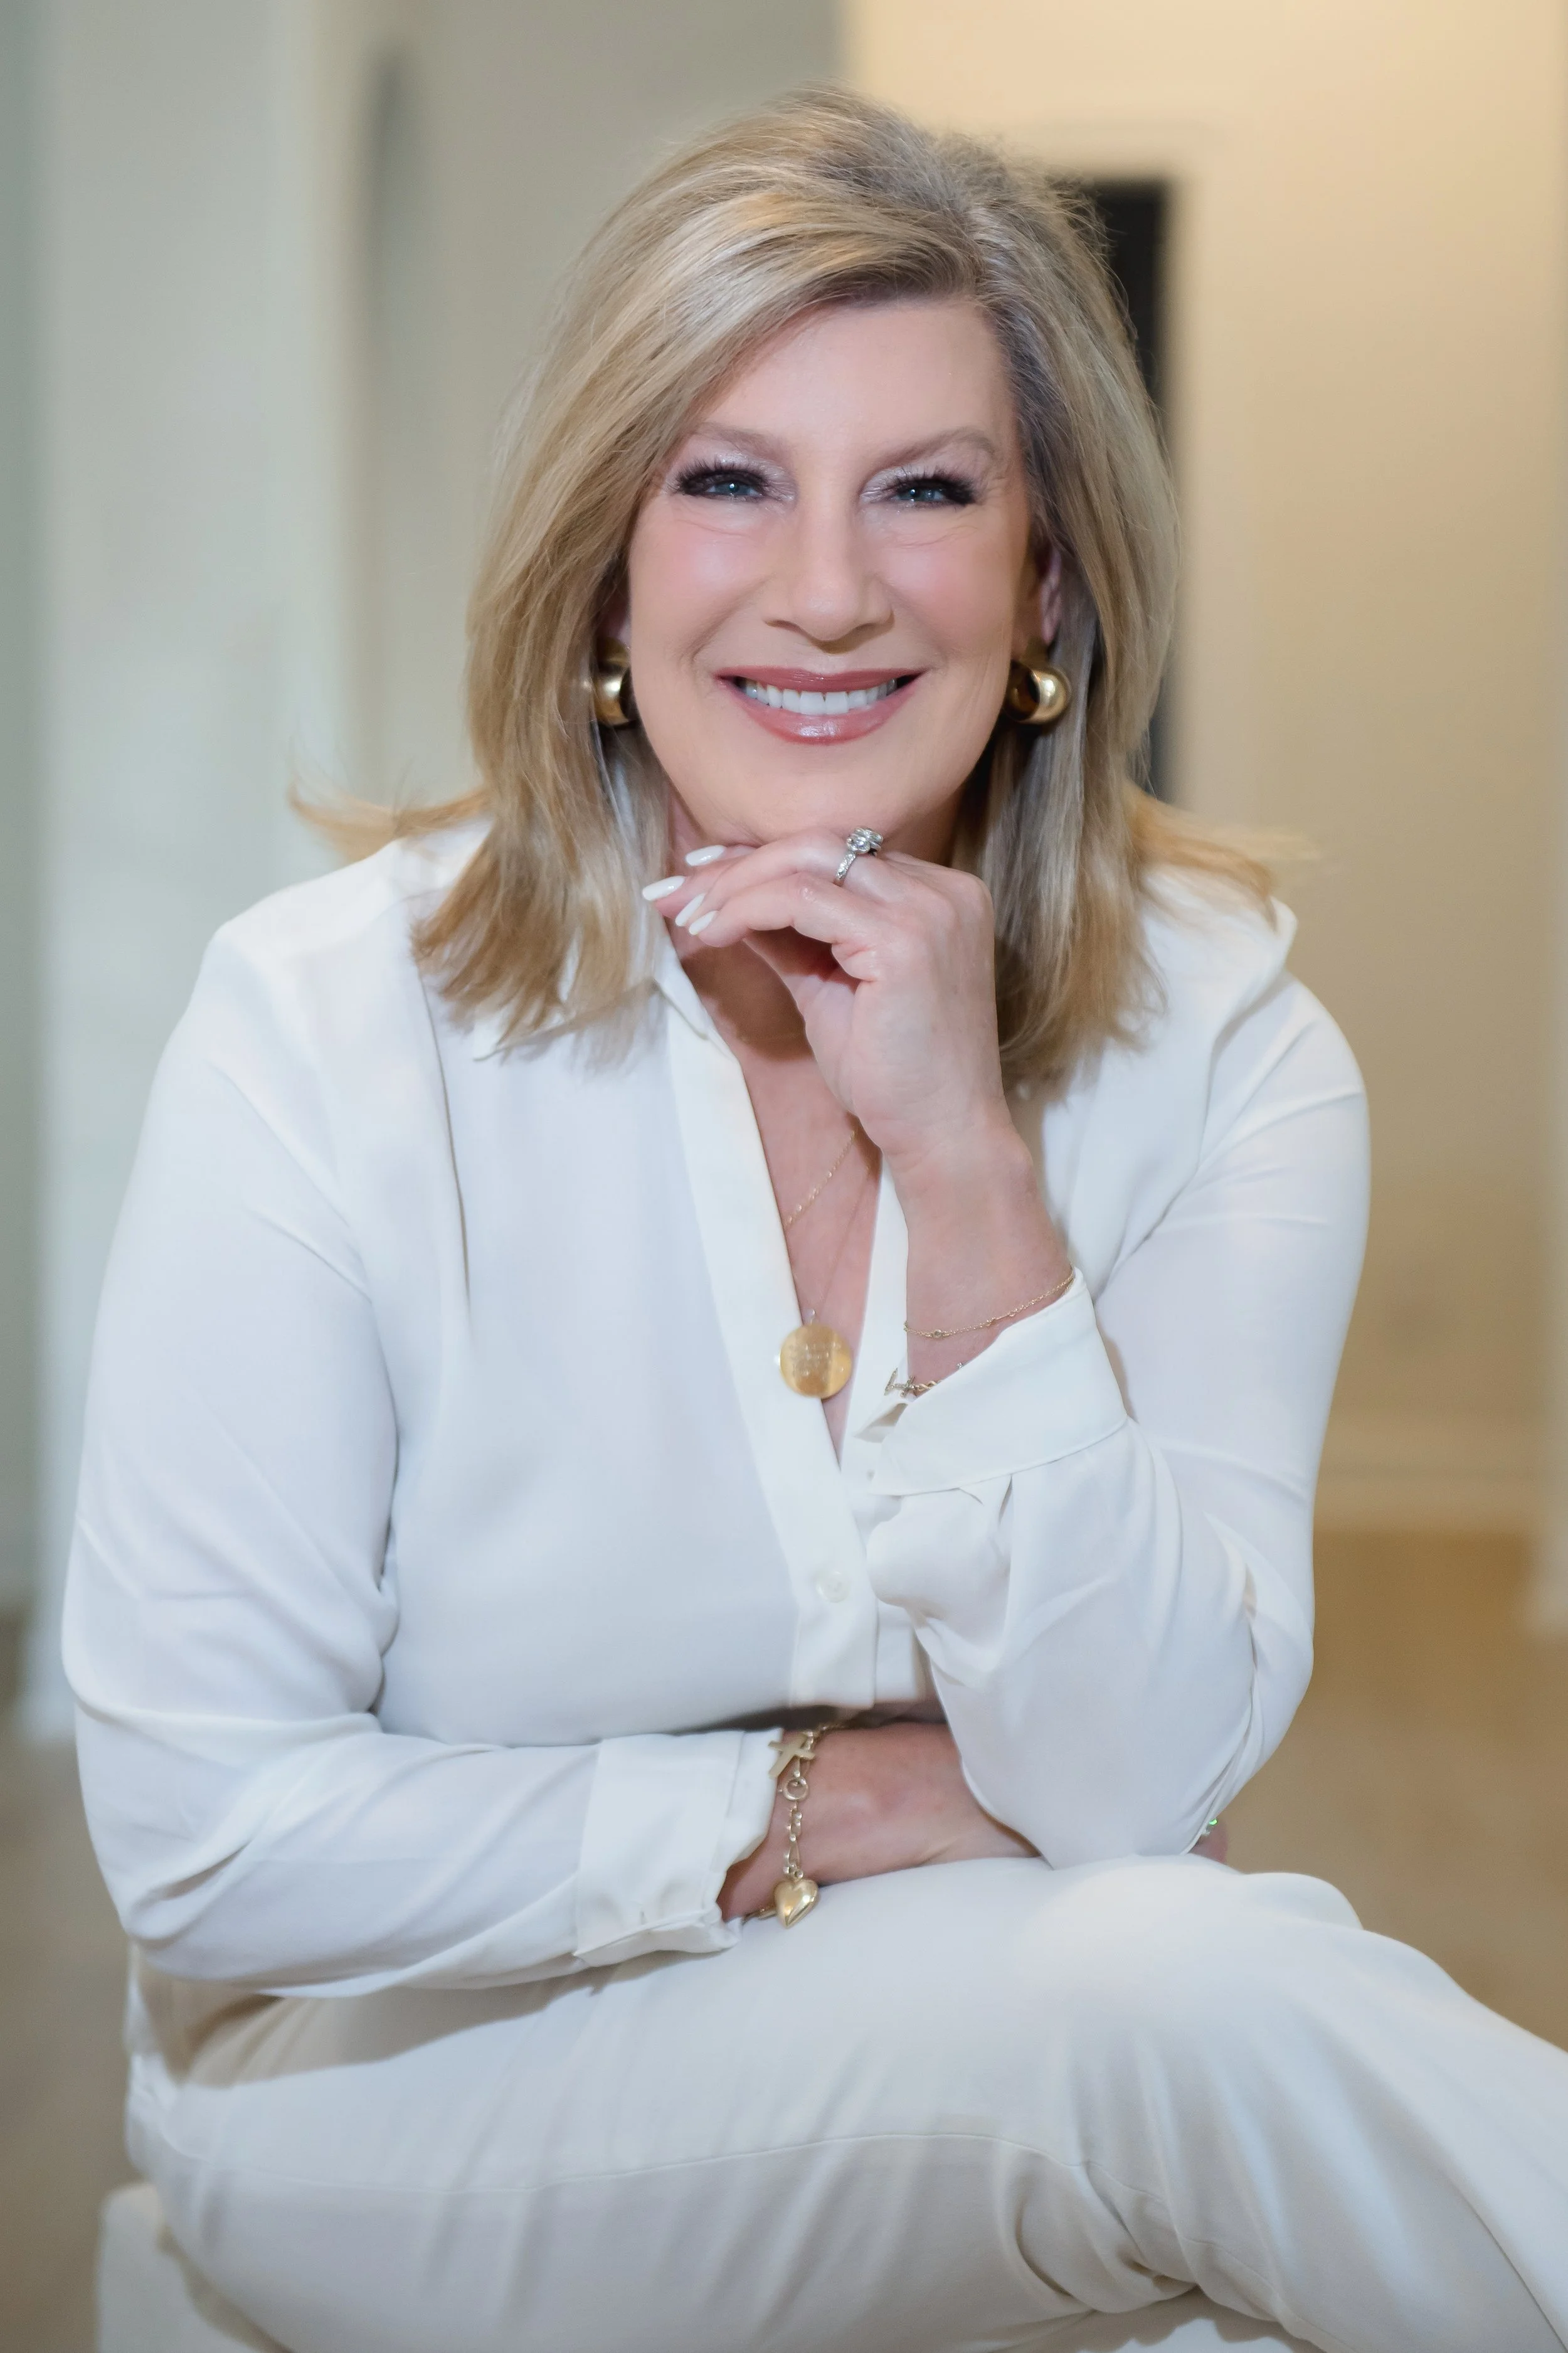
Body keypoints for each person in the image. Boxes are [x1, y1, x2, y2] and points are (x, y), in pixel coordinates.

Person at [66, 87, 1567, 2353]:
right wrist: (820, 1805)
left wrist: (967, 1168)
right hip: (388, 2082)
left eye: (927, 491)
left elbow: (1132, 1787)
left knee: (1219, 2191)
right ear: (606, 566)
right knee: (1187, 2014)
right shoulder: (322, 1024)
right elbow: (205, 1836)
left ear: (1046, 585)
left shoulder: (1226, 1045)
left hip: (967, 2004)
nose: (830, 588)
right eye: (728, 481)